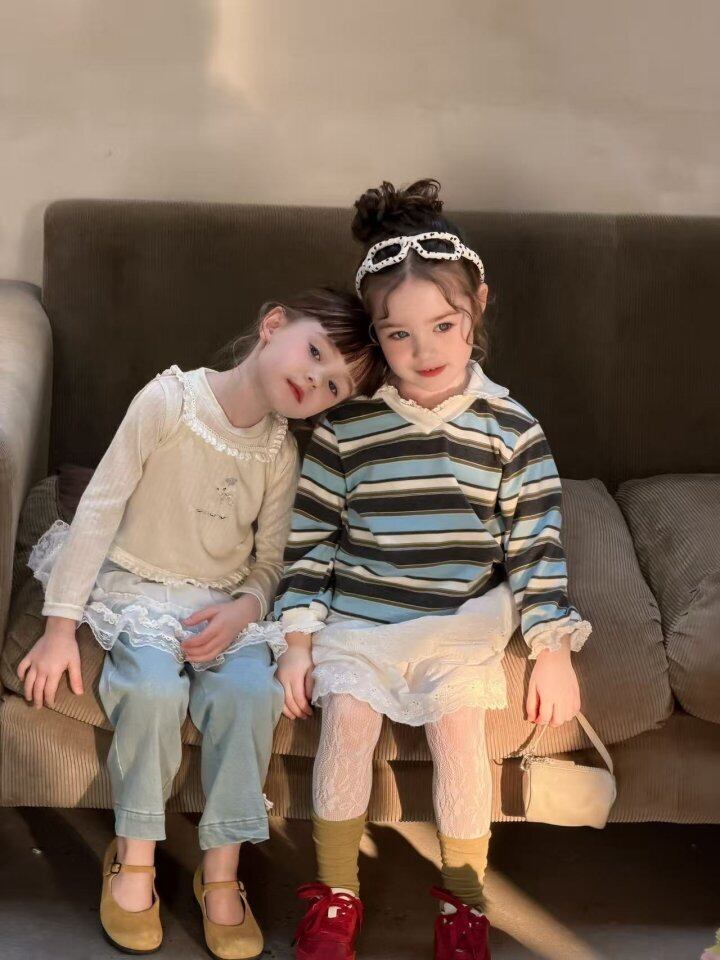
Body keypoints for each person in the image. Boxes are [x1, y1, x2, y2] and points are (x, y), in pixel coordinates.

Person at [270, 181, 592, 960]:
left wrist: (551, 648)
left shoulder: (510, 429)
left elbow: (534, 544)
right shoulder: (347, 427)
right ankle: (336, 892)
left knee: (458, 734)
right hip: (361, 618)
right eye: (399, 335)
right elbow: (311, 538)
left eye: (444, 326)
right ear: (375, 337)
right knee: (347, 725)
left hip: (458, 622)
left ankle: (464, 902)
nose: (425, 352)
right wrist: (298, 641)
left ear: (478, 305)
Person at [18, 288, 385, 960]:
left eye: (334, 385)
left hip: (223, 601)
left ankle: (221, 871)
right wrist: (59, 627)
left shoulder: (279, 452)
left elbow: (270, 563)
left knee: (250, 694)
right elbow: (100, 508)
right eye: (313, 353)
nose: (314, 381)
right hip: (139, 586)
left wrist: (245, 607)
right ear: (272, 324)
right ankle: (134, 858)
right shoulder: (169, 401)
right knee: (152, 691)